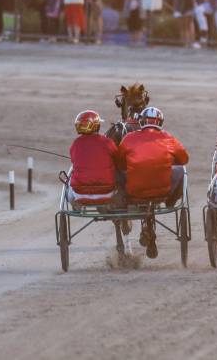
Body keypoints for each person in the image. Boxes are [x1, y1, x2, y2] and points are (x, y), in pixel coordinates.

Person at [117, 106, 189, 258]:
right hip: (162, 191)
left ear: (141, 122)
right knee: (181, 170)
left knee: (119, 173)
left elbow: (119, 163)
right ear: (160, 122)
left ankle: (124, 202)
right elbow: (184, 159)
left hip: (134, 191)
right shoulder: (168, 138)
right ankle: (171, 201)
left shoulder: (129, 138)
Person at [68, 110, 118, 206]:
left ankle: (76, 207)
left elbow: (74, 161)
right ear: (97, 126)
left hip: (80, 195)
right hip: (107, 193)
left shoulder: (75, 144)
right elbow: (117, 159)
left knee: (70, 176)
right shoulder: (107, 142)